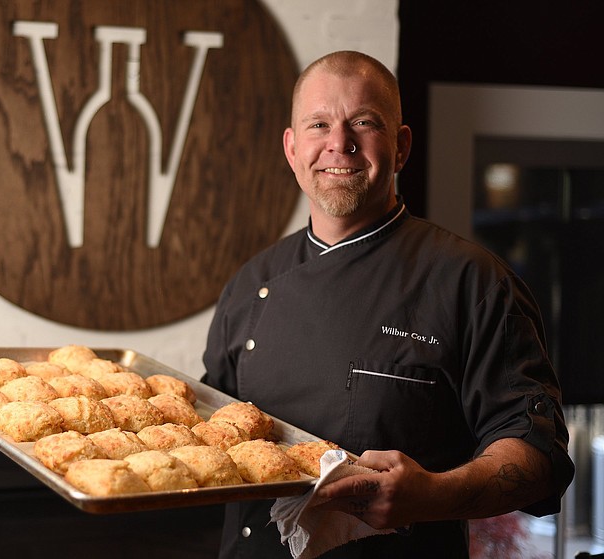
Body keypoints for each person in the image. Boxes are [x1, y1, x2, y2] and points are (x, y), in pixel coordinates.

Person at [201, 50, 574, 558]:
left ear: (400, 147)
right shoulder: (249, 283)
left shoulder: (472, 281)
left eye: (363, 122)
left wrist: (435, 496)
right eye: (318, 125)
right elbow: (208, 432)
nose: (339, 143)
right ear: (291, 149)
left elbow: (537, 454)